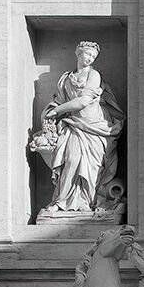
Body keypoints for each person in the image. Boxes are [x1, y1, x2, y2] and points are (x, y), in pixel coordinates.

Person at [35, 42, 122, 215]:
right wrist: (50, 112)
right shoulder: (65, 78)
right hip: (73, 124)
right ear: (78, 53)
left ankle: (86, 202)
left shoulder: (93, 74)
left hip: (94, 125)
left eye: (93, 56)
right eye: (87, 54)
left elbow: (82, 101)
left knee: (91, 167)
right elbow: (58, 101)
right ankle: (62, 201)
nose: (89, 58)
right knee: (72, 160)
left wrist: (57, 111)